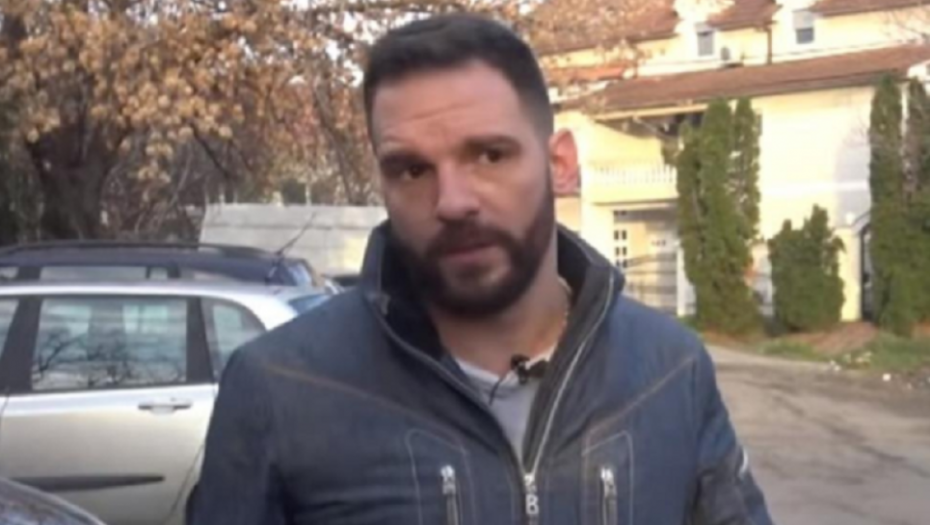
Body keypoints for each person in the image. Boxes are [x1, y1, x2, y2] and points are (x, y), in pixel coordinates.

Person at [191, 13, 773, 525]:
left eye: (490, 155)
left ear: (560, 164)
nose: (452, 202)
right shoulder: (280, 390)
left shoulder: (669, 370)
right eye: (412, 170)